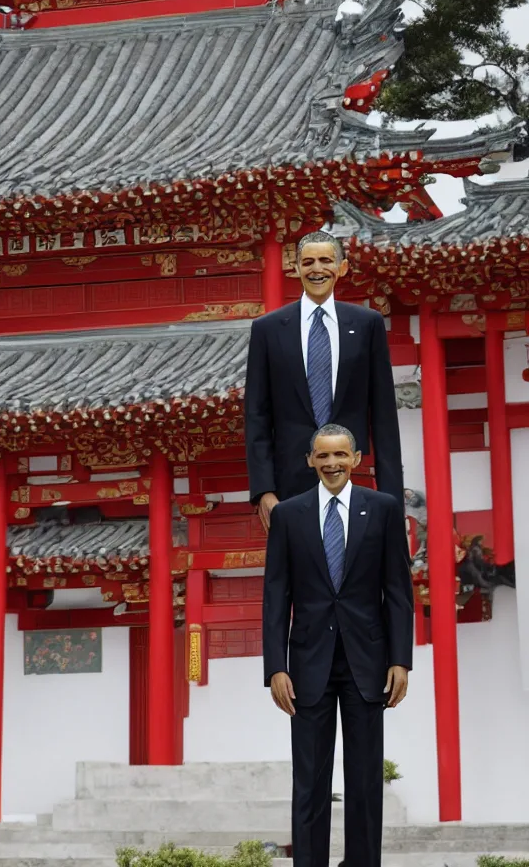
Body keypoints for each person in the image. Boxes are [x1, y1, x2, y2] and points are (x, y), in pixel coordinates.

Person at [263, 425, 413, 867]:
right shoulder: (289, 515)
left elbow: (397, 590)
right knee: (309, 781)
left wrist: (400, 660)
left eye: (341, 455)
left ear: (357, 458)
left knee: (365, 780)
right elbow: (276, 595)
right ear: (310, 460)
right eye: (323, 456)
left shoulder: (383, 509)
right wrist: (276, 666)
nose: (332, 464)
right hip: (307, 666)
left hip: (368, 662)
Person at [245, 230, 404, 532]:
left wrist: (391, 496)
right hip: (290, 483)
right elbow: (256, 414)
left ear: (341, 268)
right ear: (296, 268)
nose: (316, 269)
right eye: (308, 262)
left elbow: (383, 416)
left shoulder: (367, 324)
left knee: (359, 571)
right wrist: (264, 490)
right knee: (302, 574)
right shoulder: (268, 329)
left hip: (355, 475)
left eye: (325, 261)